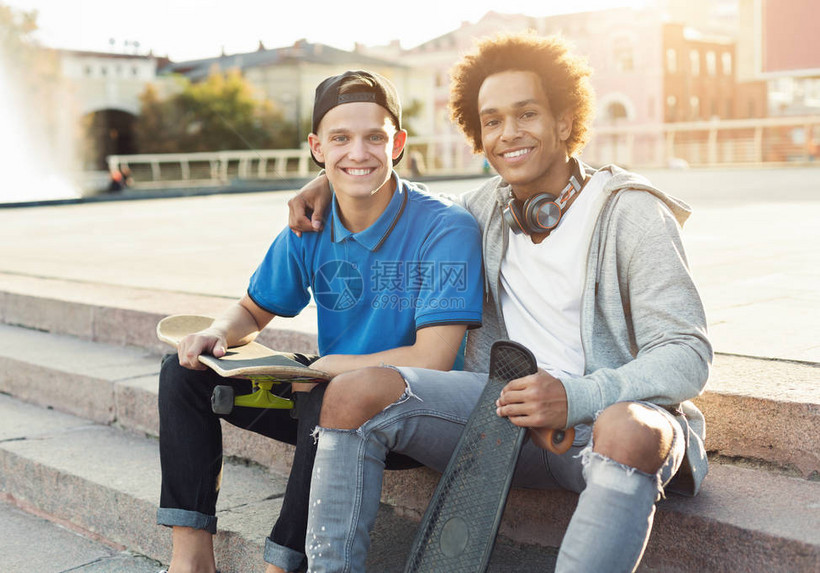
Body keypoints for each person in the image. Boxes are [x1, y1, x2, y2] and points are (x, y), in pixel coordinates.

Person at [288, 33, 712, 573]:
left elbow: (687, 353)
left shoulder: (630, 213)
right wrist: (327, 181)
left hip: (603, 424)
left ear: (564, 121)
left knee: (633, 429)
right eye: (491, 121)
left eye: (526, 114)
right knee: (352, 393)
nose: (508, 134)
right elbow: (393, 195)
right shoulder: (479, 211)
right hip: (500, 416)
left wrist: (575, 396)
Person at [156, 70, 484, 573]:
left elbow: (433, 358)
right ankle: (191, 558)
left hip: (410, 410)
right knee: (184, 372)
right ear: (317, 147)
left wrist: (326, 369)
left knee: (326, 391)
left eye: (374, 137)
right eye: (341, 139)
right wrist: (217, 333)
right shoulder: (309, 224)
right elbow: (251, 309)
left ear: (397, 143)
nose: (359, 152)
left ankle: (285, 563)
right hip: (328, 385)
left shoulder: (444, 227)